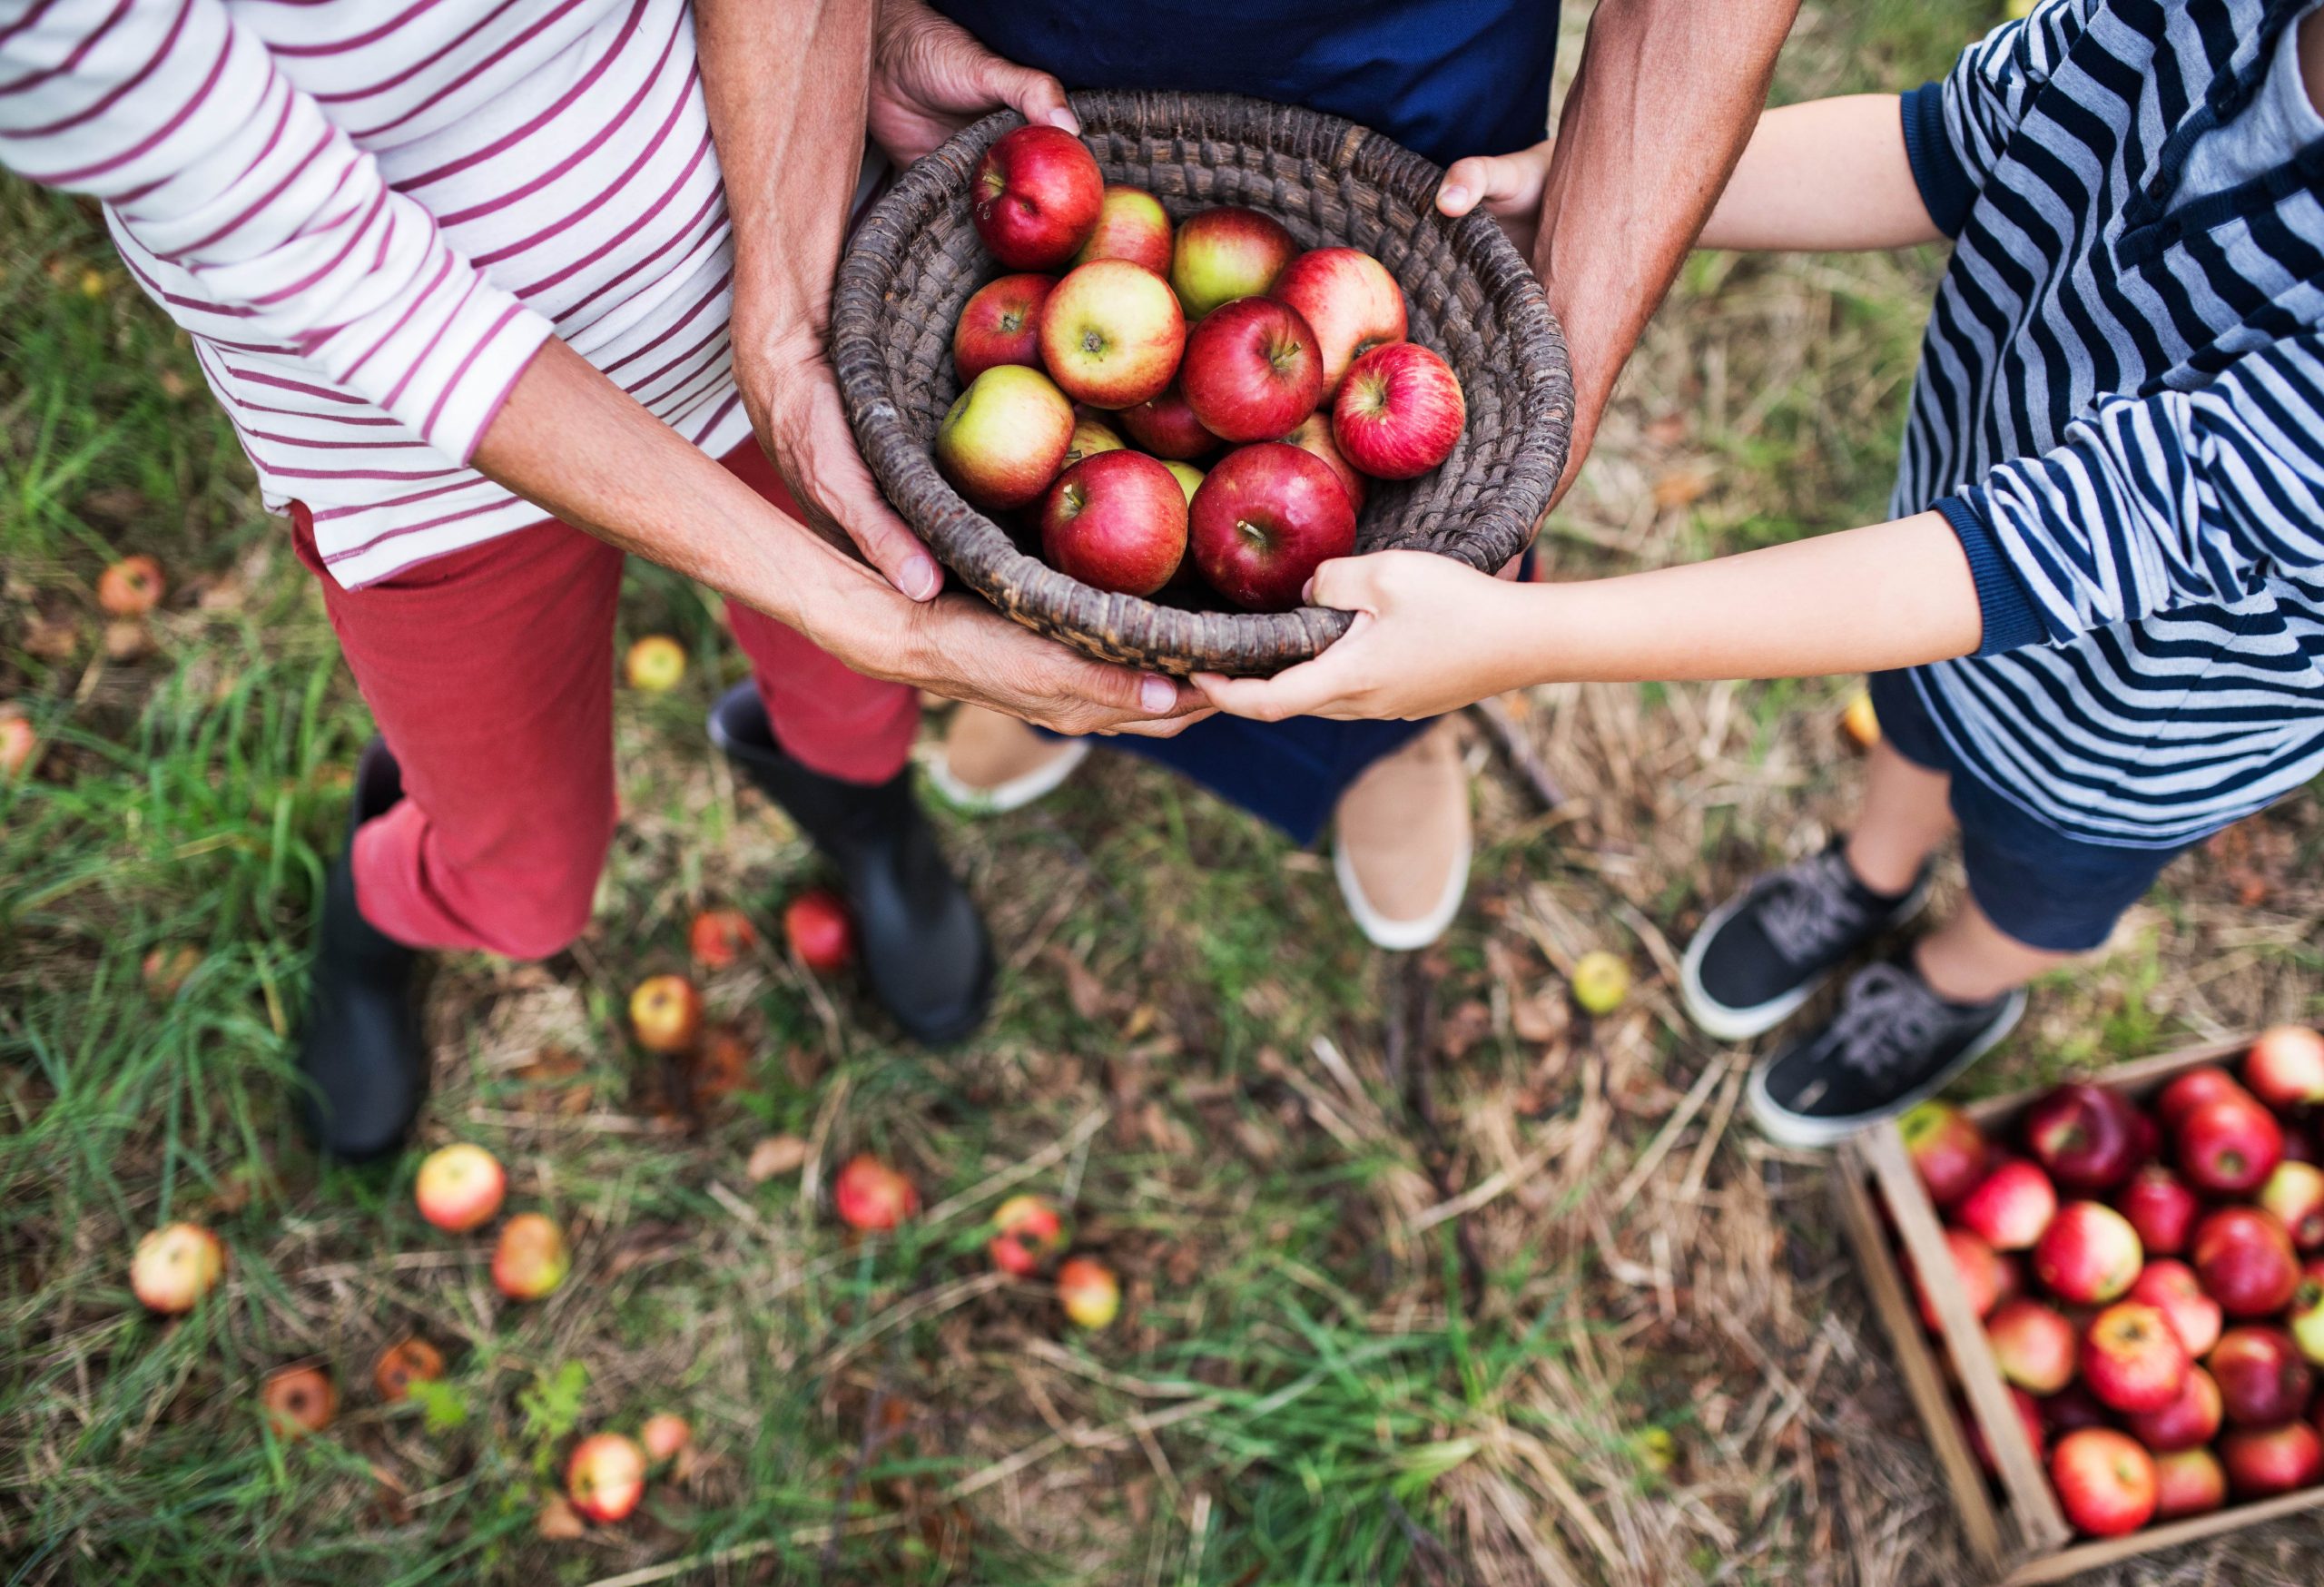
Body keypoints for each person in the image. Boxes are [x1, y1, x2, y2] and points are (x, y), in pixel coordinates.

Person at [0, 0, 1211, 1158]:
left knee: (858, 707)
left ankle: (861, 811)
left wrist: (809, 220)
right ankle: (379, 894)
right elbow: (341, 274)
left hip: (778, 259)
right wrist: (860, 613)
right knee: (524, 885)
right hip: (418, 452)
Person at [1196, 0, 2324, 1145]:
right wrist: (1567, 181)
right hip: (1944, 553)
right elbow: (1944, 146)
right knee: (1916, 725)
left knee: (2040, 874)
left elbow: (2047, 546)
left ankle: (1959, 982)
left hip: (2148, 722)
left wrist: (1525, 633)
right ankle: (1867, 874)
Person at [914, 0, 1799, 950]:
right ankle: (1065, 713)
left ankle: (1392, 747)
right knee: (1078, 584)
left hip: (1403, 74)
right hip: (1048, 82)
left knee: (1403, 587)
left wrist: (1549, 412)